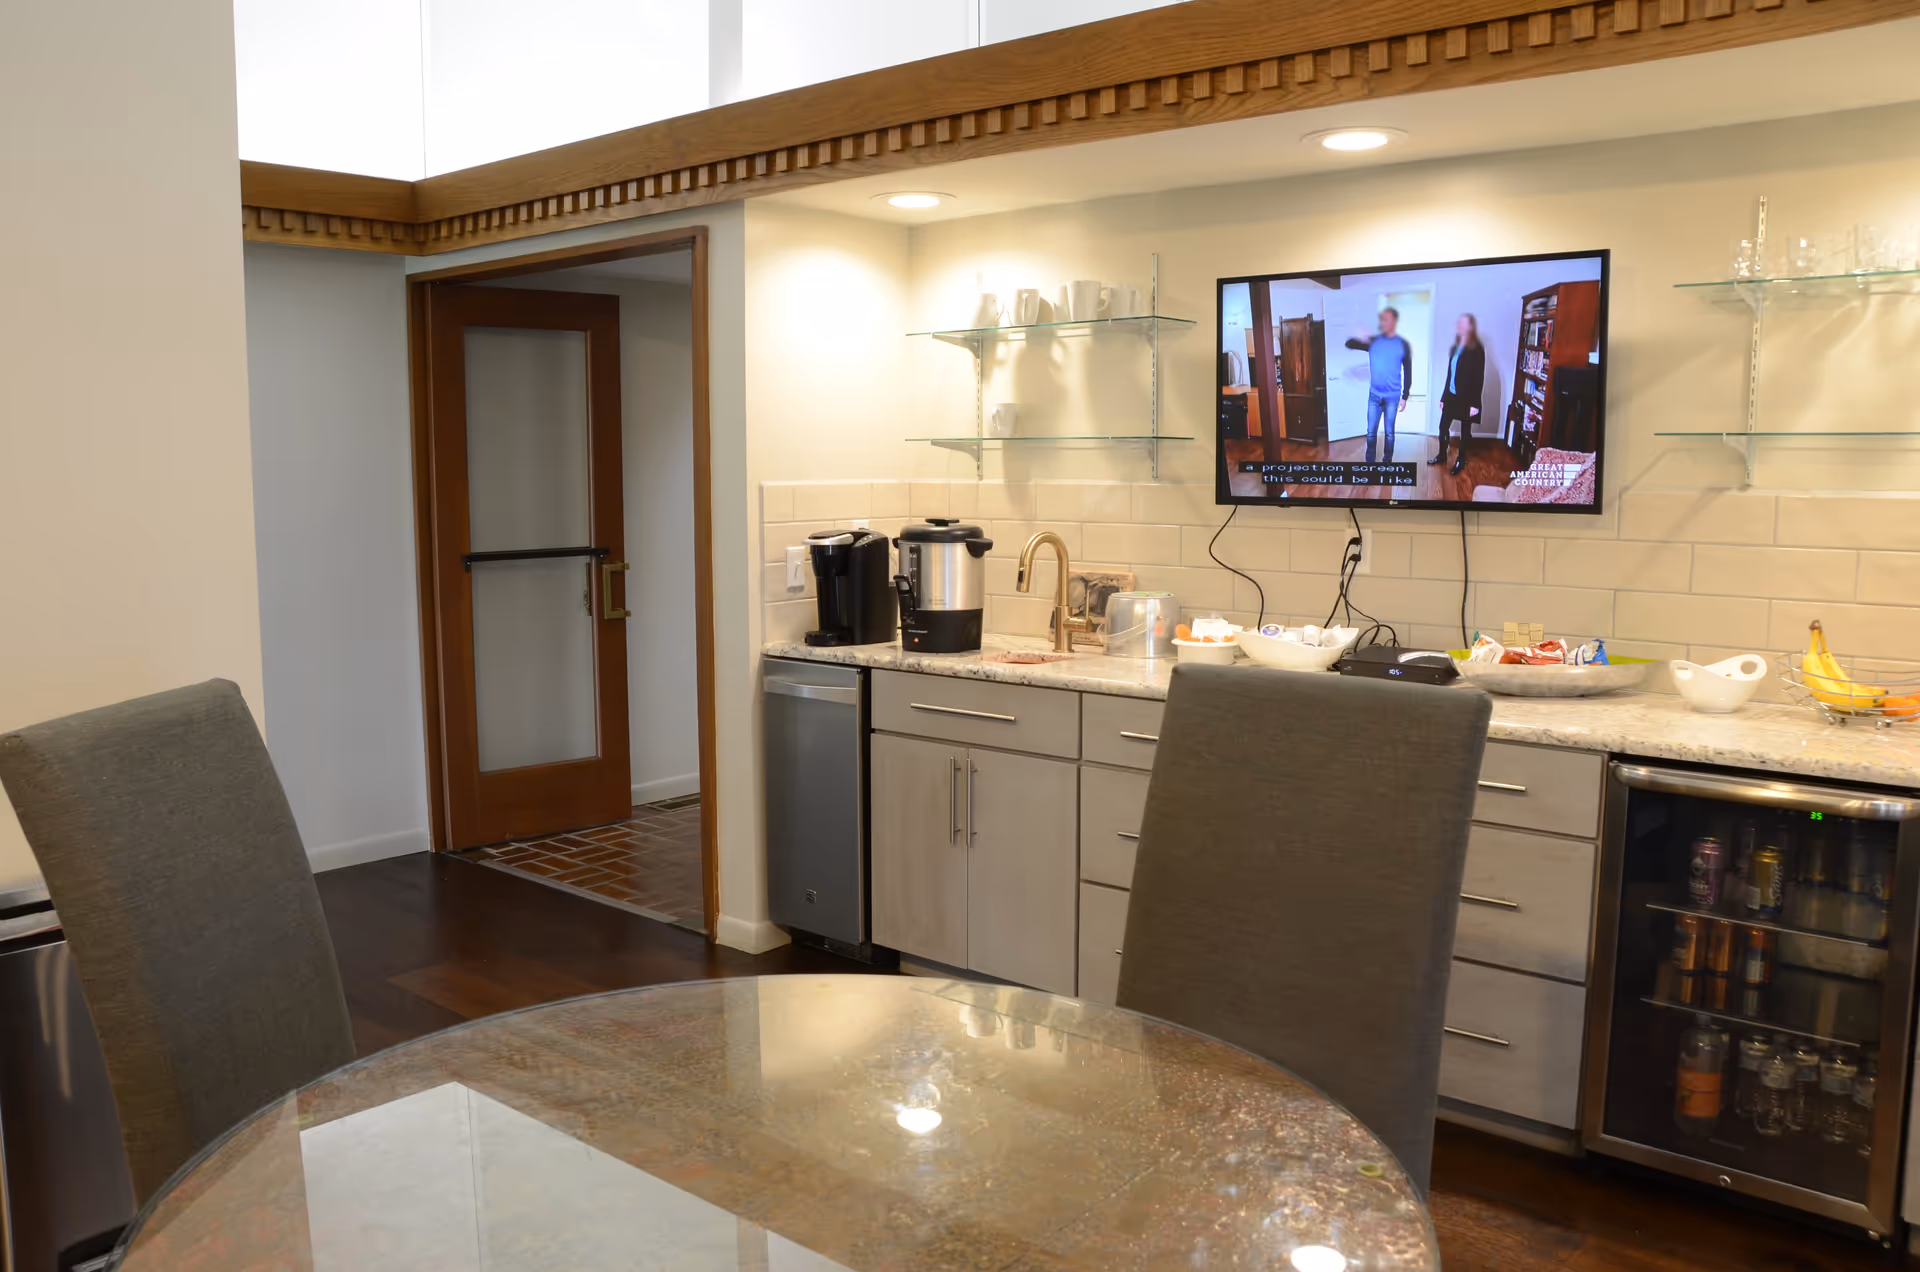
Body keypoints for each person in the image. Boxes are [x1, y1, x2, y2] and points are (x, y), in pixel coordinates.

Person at [1345, 308, 1412, 463]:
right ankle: (1370, 465)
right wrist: (1360, 337)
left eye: (1387, 319)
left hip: (1392, 397)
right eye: (1382, 319)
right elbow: (1349, 344)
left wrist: (1405, 396)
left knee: (1389, 433)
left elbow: (1408, 370)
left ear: (1394, 322)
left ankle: (1387, 461)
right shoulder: (1374, 341)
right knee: (1371, 433)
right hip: (1374, 396)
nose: (1383, 322)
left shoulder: (1402, 344)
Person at [1431, 313, 1486, 475]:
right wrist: (1443, 397)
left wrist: (1475, 404)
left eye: (1464, 323)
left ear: (1471, 327)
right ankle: (1442, 456)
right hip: (1451, 395)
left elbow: (1479, 377)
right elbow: (1450, 374)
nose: (1460, 325)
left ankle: (1461, 460)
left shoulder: (1477, 348)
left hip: (1467, 398)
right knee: (1443, 427)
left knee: (1465, 431)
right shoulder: (1455, 347)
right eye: (1459, 322)